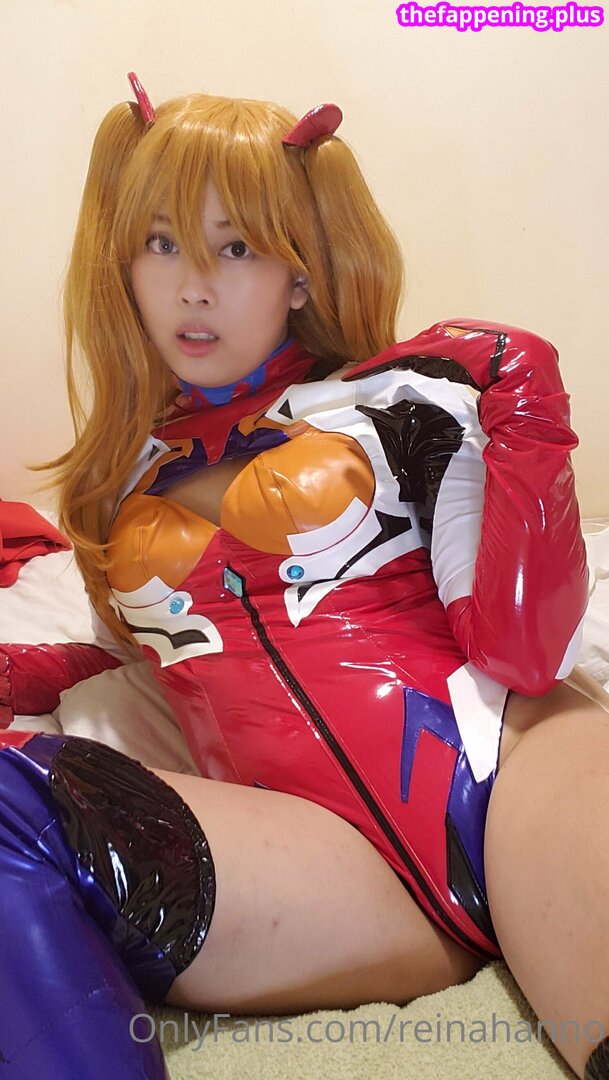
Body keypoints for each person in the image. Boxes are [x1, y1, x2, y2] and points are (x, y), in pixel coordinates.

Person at [1, 72, 608, 1080]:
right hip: (317, 860)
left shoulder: (404, 399)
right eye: (161, 242)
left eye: (235, 247)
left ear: (300, 272)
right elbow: (155, 661)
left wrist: (526, 406)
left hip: (515, 767)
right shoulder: (116, 485)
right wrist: (40, 673)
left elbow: (524, 650)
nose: (193, 285)